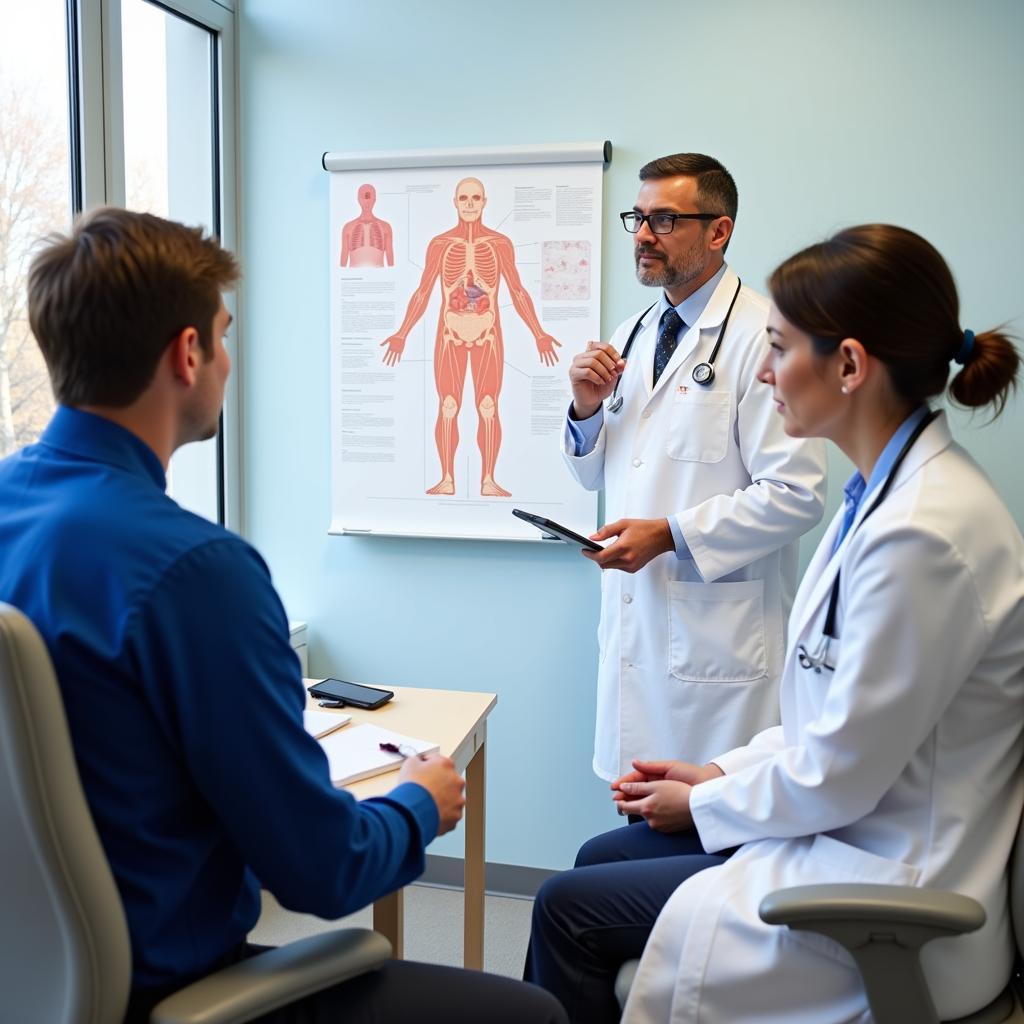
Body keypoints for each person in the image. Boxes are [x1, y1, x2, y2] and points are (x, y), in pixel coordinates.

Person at [0, 208, 566, 1024]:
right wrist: (418, 804)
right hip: (162, 988)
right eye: (223, 338)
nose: (228, 361)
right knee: (532, 1016)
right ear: (187, 355)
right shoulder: (195, 572)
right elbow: (322, 874)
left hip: (29, 982)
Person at [526, 223, 1024, 1023]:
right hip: (844, 820)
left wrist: (708, 802)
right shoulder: (885, 495)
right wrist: (717, 776)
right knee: (599, 856)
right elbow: (828, 719)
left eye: (781, 349)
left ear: (852, 366)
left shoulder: (923, 533)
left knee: (566, 907)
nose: (763, 370)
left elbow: (840, 771)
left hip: (888, 883)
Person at [563, 153, 826, 783]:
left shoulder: (765, 336)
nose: (643, 235)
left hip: (717, 661)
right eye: (639, 217)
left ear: (719, 231)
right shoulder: (630, 334)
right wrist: (584, 409)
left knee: (711, 853)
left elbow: (797, 493)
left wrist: (670, 535)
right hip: (637, 632)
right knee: (628, 834)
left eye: (664, 219)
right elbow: (596, 476)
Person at [381, 176, 561, 497]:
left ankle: (488, 479)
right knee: (448, 406)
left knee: (489, 406)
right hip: (448, 335)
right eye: (463, 198)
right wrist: (401, 333)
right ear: (455, 202)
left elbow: (517, 290)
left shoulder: (499, 244)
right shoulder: (440, 244)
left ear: (484, 202)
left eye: (475, 198)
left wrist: (539, 333)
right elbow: (423, 292)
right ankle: (447, 478)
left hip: (487, 335)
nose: (469, 204)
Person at [339, 182, 394, 267]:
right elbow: (342, 267)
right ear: (358, 199)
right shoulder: (348, 228)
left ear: (374, 199)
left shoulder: (386, 227)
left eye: (369, 197)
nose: (367, 202)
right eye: (364, 197)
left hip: (379, 278)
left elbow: (391, 265)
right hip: (355, 278)